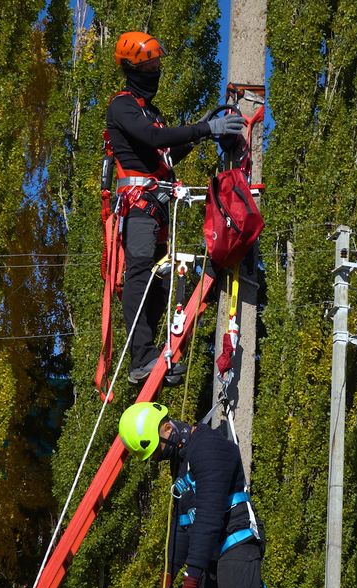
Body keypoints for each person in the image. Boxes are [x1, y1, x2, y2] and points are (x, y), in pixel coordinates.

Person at [108, 32, 245, 385]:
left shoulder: (148, 112)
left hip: (156, 210)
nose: (155, 71)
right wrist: (205, 127)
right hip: (138, 208)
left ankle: (150, 354)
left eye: (156, 64)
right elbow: (154, 139)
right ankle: (140, 357)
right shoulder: (122, 106)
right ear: (130, 68)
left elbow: (165, 156)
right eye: (148, 65)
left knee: (159, 282)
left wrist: (204, 133)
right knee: (140, 274)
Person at [118, 402, 263, 588]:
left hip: (236, 545)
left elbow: (208, 515)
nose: (158, 458)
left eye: (157, 451)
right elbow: (183, 522)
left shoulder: (209, 447)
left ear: (168, 429)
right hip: (211, 552)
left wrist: (191, 579)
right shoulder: (181, 460)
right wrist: (168, 575)